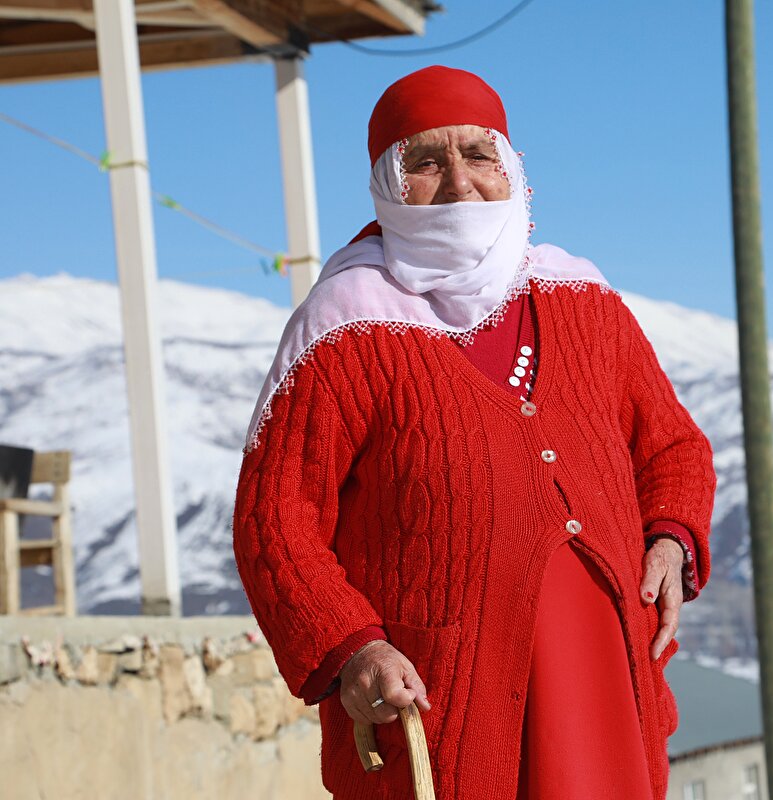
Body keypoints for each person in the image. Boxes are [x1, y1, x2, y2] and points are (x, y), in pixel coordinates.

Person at [232, 65, 716, 800]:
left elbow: (672, 446)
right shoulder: (344, 325)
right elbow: (275, 521)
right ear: (387, 184)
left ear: (511, 168)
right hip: (445, 700)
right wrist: (353, 647)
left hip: (604, 681)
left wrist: (672, 539)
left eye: (479, 154)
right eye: (426, 162)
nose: (459, 183)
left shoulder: (583, 298)